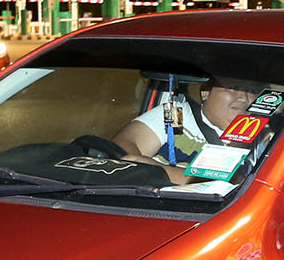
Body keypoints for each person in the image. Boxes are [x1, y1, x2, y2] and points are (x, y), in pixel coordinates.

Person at [111, 77, 264, 183]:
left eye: (251, 91)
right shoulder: (178, 116)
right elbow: (123, 147)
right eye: (233, 88)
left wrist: (167, 173)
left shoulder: (263, 135)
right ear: (206, 92)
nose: (244, 98)